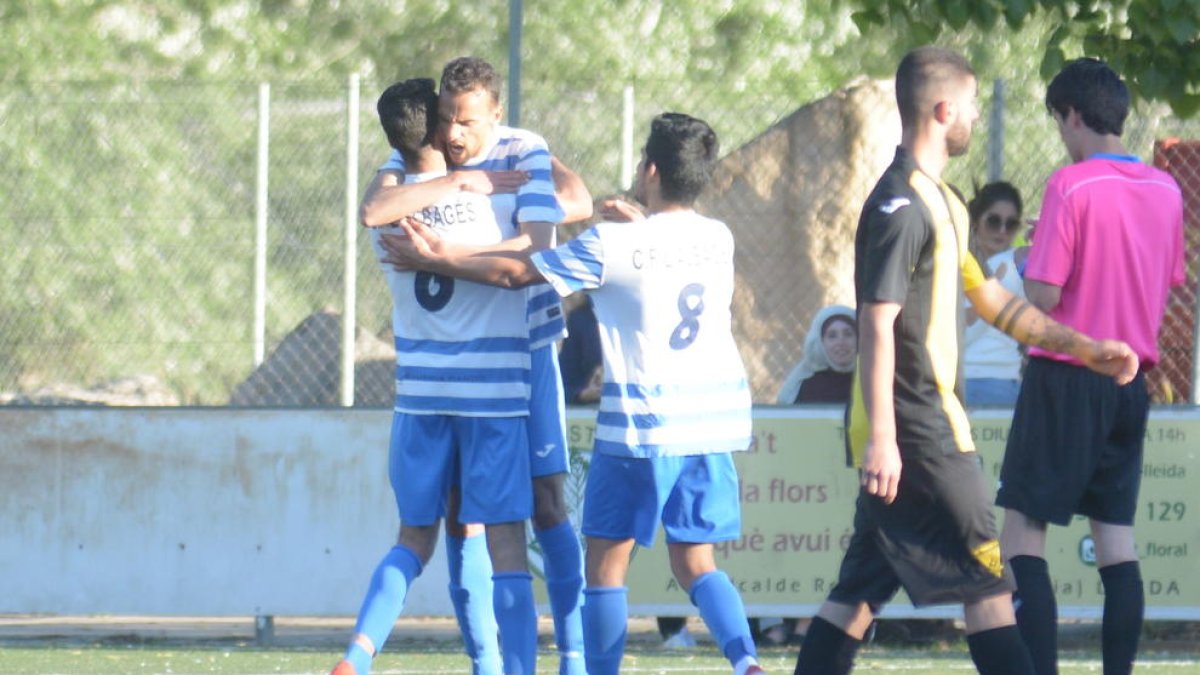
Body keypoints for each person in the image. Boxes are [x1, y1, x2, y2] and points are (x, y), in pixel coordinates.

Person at [792, 46, 1140, 675]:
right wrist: (886, 440)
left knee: (857, 595)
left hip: (917, 432)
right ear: (944, 109)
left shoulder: (945, 201)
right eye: (973, 106)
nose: (978, 117)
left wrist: (1084, 347)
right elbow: (876, 321)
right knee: (990, 593)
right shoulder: (899, 206)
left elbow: (995, 300)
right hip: (921, 434)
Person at [384, 112, 766, 675]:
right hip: (714, 424)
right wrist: (637, 224)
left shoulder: (611, 245)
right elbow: (663, 252)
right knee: (696, 563)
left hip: (643, 425)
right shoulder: (718, 238)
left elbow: (518, 273)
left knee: (605, 572)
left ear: (650, 169)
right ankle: (746, 661)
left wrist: (438, 258)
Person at [358, 57, 591, 675]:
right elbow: (376, 205)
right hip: (473, 371)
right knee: (465, 519)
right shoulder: (418, 163)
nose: (454, 134)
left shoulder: (525, 149)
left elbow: (544, 242)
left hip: (532, 350)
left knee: (546, 506)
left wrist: (444, 254)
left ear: (494, 115)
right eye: (445, 120)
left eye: (465, 122)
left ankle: (573, 655)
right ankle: (487, 663)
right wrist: (459, 189)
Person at [331, 77, 538, 675]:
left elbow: (382, 194)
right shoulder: (487, 201)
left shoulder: (386, 215)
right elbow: (523, 263)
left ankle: (358, 654)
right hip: (491, 394)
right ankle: (501, 667)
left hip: (420, 397)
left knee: (414, 537)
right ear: (444, 128)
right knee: (499, 543)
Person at [996, 57, 1186, 675]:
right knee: (1115, 539)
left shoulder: (1070, 185)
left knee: (1023, 529)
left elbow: (1046, 296)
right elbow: (1170, 277)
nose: (1061, 135)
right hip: (1133, 379)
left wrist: (1028, 259)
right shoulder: (1167, 189)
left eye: (1059, 122)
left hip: (1065, 373)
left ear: (1073, 115)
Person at [963, 182, 1027, 406]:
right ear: (975, 222)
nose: (1001, 231)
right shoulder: (955, 262)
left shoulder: (1017, 265)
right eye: (993, 221)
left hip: (1004, 378)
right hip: (960, 377)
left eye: (1010, 224)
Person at [776, 305, 857, 406]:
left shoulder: (873, 380)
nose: (840, 342)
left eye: (848, 334)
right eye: (832, 336)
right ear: (820, 342)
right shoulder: (807, 387)